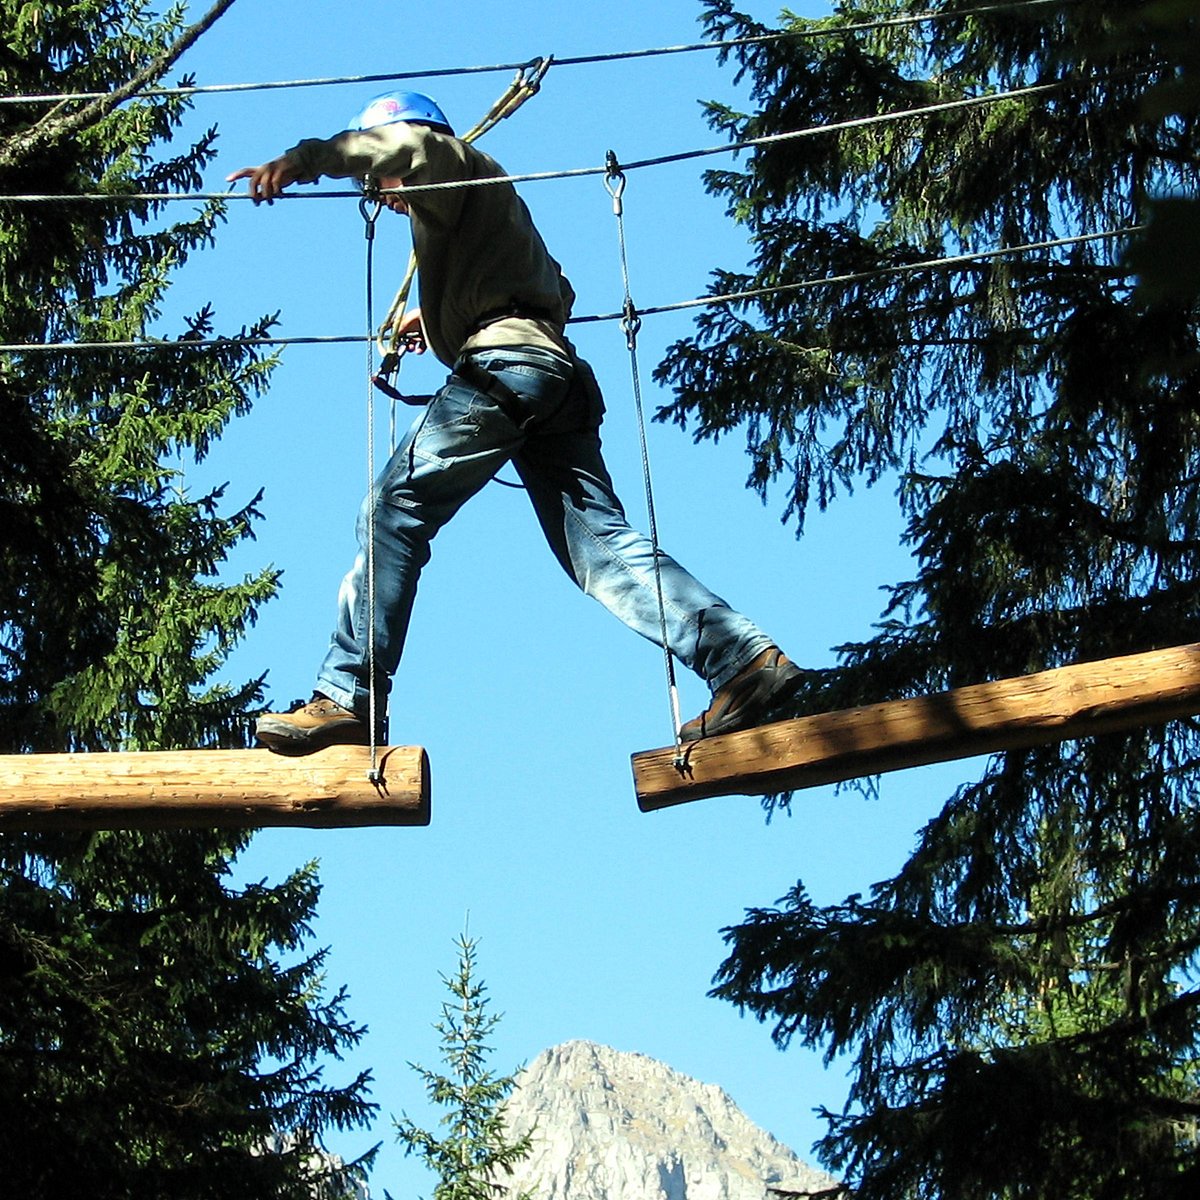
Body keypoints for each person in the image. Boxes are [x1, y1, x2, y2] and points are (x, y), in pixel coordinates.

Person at [228, 90, 801, 753]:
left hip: (505, 372)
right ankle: (743, 662)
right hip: (552, 376)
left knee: (392, 509)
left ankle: (349, 695)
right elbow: (557, 287)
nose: (377, 194)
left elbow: (402, 148)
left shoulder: (440, 158)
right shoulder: (478, 201)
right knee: (600, 550)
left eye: (373, 179)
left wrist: (303, 160)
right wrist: (446, 312)